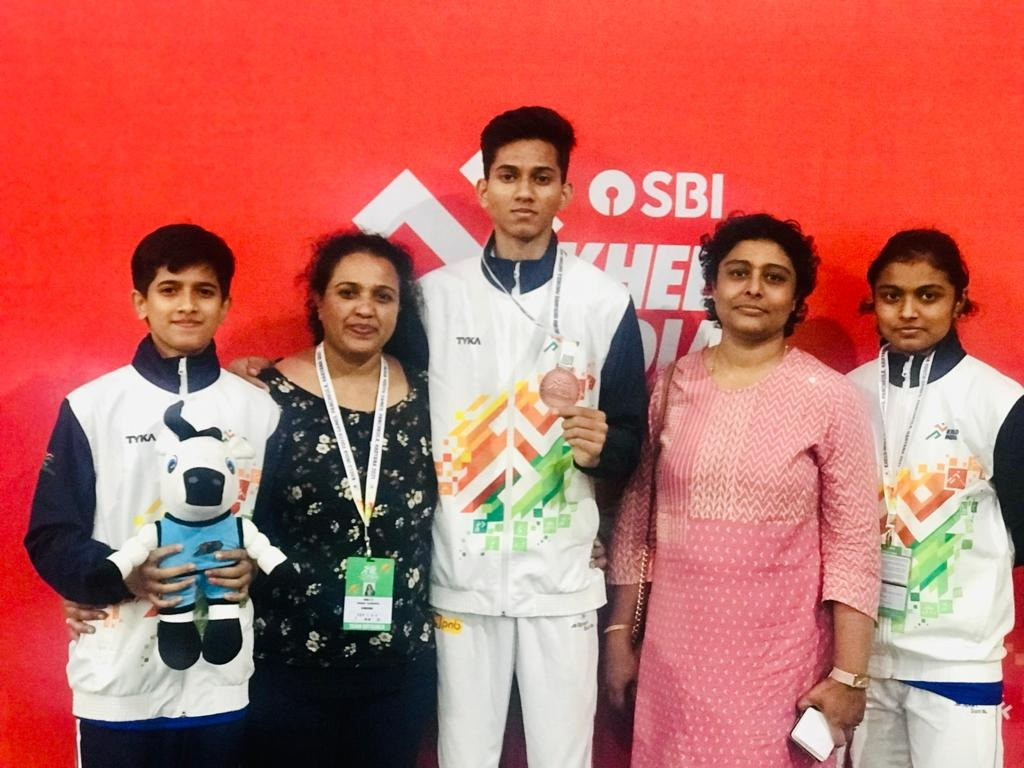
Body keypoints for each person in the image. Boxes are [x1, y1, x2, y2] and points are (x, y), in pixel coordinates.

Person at [604, 213, 880, 767]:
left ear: (796, 297)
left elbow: (853, 543)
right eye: (738, 272)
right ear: (713, 286)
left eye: (774, 277)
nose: (754, 288)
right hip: (673, 661)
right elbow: (637, 519)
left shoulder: (829, 397)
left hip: (779, 668)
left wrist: (850, 674)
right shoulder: (672, 385)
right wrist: (618, 633)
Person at [420, 105, 648, 768]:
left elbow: (630, 438)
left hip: (561, 577)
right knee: (464, 756)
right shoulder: (433, 299)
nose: (525, 192)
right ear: (483, 188)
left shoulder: (603, 301)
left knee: (563, 757)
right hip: (461, 573)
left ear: (565, 193)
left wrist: (603, 450)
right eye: (509, 176)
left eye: (541, 178)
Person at [25, 223, 280, 768]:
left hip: (220, 680)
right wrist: (119, 576)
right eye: (169, 290)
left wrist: (254, 570)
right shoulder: (92, 407)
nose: (187, 305)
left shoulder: (259, 410)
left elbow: (277, 526)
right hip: (118, 677)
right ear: (141, 302)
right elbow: (51, 535)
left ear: (226, 305)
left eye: (204, 291)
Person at [241, 231, 437, 768]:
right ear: (318, 301)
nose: (365, 309)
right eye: (348, 292)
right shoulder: (264, 395)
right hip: (288, 662)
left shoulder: (430, 394)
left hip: (400, 665)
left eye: (382, 296)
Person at [847, 229, 1024, 768]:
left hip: (956, 665)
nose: (908, 311)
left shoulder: (998, 401)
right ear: (874, 300)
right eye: (891, 295)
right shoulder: (846, 394)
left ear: (958, 301)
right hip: (863, 662)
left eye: (928, 295)